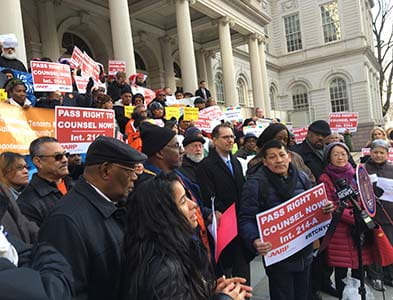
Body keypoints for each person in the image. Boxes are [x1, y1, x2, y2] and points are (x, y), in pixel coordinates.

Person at [39, 136, 147, 300]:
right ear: (106, 170)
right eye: (130, 170)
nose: (135, 177)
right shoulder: (65, 222)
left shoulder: (113, 205)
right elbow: (67, 292)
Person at [122, 172, 251, 300]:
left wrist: (205, 290)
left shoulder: (175, 248)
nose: (193, 205)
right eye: (183, 201)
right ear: (165, 214)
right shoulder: (164, 270)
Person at [239, 140, 334, 300]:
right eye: (272, 157)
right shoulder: (255, 184)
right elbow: (246, 218)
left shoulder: (302, 177)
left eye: (282, 155)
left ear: (289, 157)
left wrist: (325, 207)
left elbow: (314, 204)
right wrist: (254, 239)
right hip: (278, 257)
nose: (279, 160)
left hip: (305, 252)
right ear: (265, 161)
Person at [137, 123, 213, 256]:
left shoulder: (175, 174)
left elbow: (194, 200)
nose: (182, 151)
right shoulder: (149, 187)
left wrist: (207, 214)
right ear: (160, 152)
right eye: (176, 146)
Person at [196, 123, 251, 283]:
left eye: (232, 137)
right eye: (225, 137)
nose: (230, 140)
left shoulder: (236, 162)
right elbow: (208, 195)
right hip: (222, 223)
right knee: (225, 270)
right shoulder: (205, 166)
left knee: (243, 271)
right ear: (214, 140)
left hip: (239, 222)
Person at [319, 142, 374, 298]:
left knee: (359, 268)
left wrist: (363, 215)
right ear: (329, 158)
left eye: (343, 153)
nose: (340, 157)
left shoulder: (356, 173)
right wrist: (355, 217)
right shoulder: (325, 177)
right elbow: (332, 204)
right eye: (335, 154)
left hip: (359, 229)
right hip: (340, 231)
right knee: (341, 270)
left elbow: (365, 196)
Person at [18, 137, 71, 227]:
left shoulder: (75, 186)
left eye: (66, 155)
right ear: (38, 162)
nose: (65, 160)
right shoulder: (27, 203)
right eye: (58, 157)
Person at [365, 139, 393, 290]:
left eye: (382, 152)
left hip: (390, 213)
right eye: (375, 152)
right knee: (376, 245)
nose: (378, 155)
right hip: (373, 215)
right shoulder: (363, 169)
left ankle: (390, 275)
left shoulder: (391, 169)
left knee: (389, 245)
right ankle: (376, 276)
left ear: (387, 154)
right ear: (370, 153)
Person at [248, 123, 315, 184]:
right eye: (279, 138)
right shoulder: (255, 163)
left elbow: (310, 178)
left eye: (285, 140)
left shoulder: (295, 157)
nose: (282, 142)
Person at [0, 152, 38, 243]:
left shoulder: (30, 193)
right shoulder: (3, 197)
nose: (26, 171)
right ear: (4, 171)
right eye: (19, 168)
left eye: (26, 167)